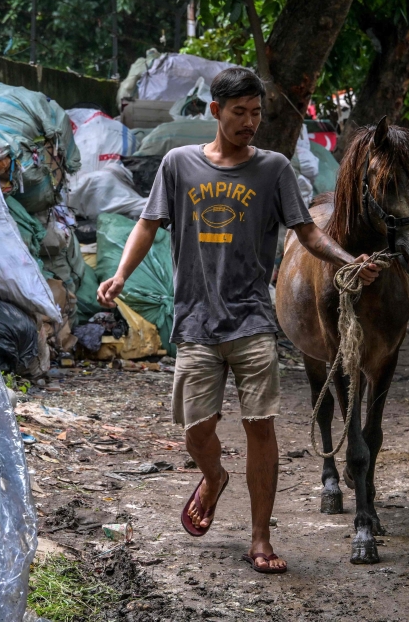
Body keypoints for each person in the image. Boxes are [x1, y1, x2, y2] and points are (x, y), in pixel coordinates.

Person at [96, 67, 380, 575]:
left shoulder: (274, 170)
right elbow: (146, 224)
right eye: (239, 113)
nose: (250, 122)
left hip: (252, 321)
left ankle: (260, 538)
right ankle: (213, 477)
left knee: (260, 429)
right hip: (196, 322)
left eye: (256, 113)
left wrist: (347, 259)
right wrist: (119, 275)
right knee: (197, 430)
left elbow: (307, 234)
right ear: (216, 112)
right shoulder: (178, 165)